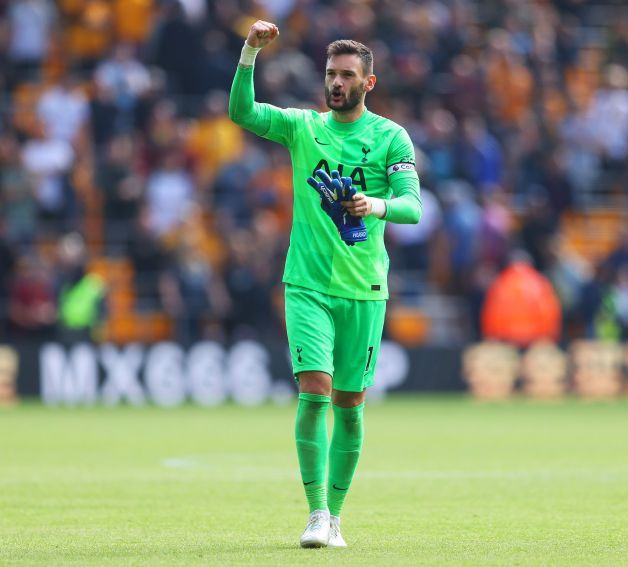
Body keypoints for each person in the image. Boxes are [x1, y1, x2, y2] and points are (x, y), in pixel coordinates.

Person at [228, 21, 422, 548]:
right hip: (307, 284)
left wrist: (376, 204)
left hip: (364, 290)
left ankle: (336, 515)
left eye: (346, 75)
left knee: (350, 404)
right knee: (313, 391)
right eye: (331, 74)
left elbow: (413, 206)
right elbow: (242, 113)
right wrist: (249, 52)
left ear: (369, 83)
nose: (336, 83)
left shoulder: (390, 138)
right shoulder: (303, 128)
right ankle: (315, 513)